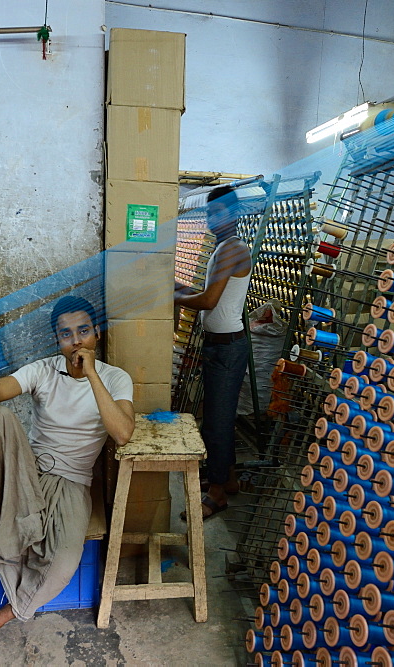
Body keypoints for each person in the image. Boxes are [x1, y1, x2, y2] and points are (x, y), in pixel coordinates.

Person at [0, 295, 135, 667]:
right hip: (27, 472)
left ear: (97, 332)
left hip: (72, 481)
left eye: (83, 331)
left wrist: (92, 374)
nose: (76, 341)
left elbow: (123, 432)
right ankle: (1, 520)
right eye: (66, 334)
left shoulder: (114, 377)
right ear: (57, 340)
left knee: (63, 562)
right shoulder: (44, 370)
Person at [174, 185, 252, 520]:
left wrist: (174, 298)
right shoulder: (223, 248)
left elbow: (208, 301)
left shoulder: (231, 250)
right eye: (209, 212)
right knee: (218, 417)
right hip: (220, 345)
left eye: (218, 211)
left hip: (228, 348)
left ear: (234, 214)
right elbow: (206, 295)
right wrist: (178, 288)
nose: (211, 218)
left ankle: (217, 495)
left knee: (217, 424)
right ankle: (229, 478)